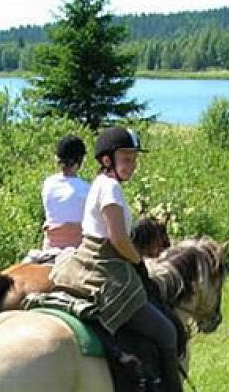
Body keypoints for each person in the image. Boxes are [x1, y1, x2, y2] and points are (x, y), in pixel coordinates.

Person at [48, 127, 182, 391]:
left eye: (134, 159)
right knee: (167, 332)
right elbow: (119, 239)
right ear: (107, 160)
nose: (132, 165)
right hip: (109, 267)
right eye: (127, 158)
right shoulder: (110, 189)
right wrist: (137, 261)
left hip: (89, 257)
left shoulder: (100, 184)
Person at [41, 135, 90, 250]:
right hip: (78, 247)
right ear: (80, 160)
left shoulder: (48, 184)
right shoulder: (86, 189)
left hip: (50, 246)